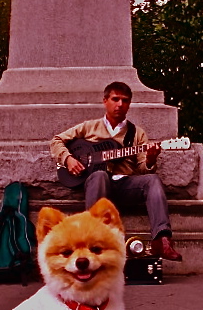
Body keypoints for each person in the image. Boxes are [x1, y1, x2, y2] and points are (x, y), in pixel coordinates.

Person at [50, 81, 182, 261]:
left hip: (125, 185)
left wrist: (150, 159)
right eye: (115, 99)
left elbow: (143, 169)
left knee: (153, 180)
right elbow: (56, 141)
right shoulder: (89, 127)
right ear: (105, 101)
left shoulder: (137, 133)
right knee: (100, 175)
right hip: (97, 185)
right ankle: (92, 237)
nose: (120, 104)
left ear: (129, 104)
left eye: (125, 100)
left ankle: (162, 240)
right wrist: (68, 159)